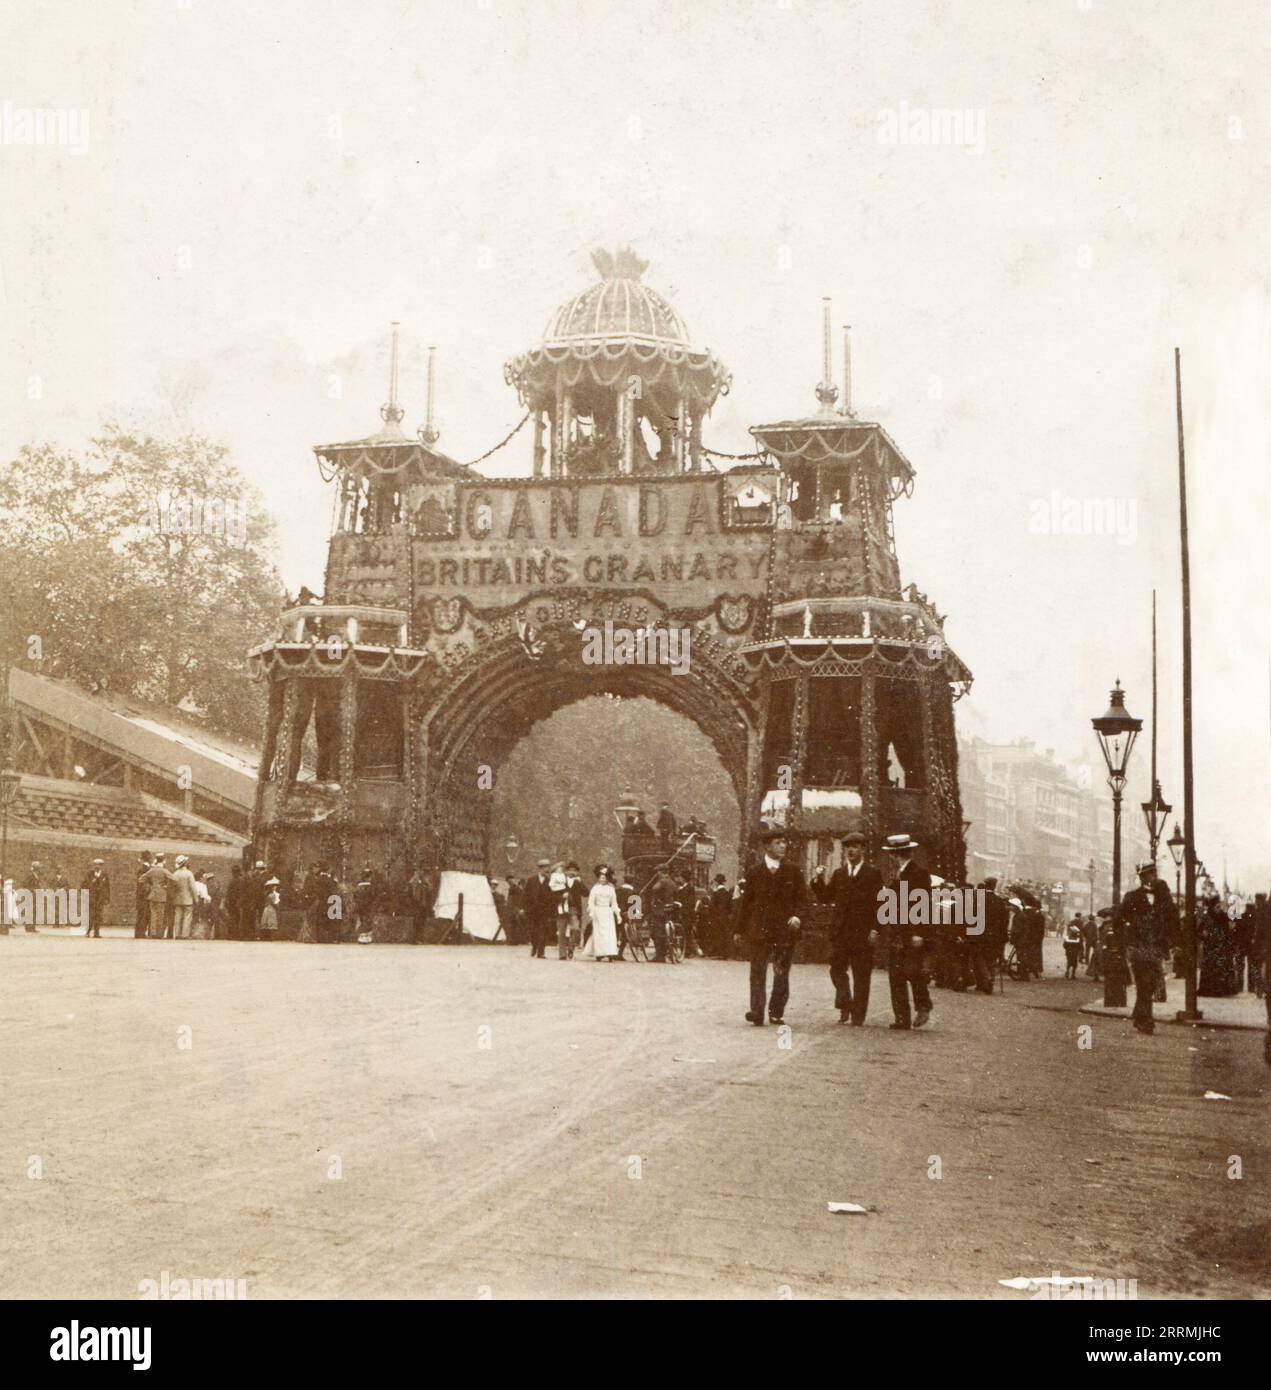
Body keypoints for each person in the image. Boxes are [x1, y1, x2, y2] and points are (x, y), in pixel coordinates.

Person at [736, 827, 808, 1026]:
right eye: (778, 842)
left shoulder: (793, 871)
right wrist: (739, 929)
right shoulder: (754, 872)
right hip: (759, 931)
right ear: (766, 846)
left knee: (781, 973)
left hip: (784, 932)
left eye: (784, 842)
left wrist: (797, 917)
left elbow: (803, 900)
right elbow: (746, 904)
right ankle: (757, 1011)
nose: (783, 846)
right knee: (757, 972)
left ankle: (776, 1011)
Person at [827, 831, 883, 1025]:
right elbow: (827, 897)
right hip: (841, 932)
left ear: (863, 850)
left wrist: (876, 929)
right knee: (836, 969)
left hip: (863, 933)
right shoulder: (839, 873)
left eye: (856, 847)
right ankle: (845, 1002)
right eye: (848, 847)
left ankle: (858, 1015)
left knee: (861, 974)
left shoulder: (873, 874)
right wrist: (817, 881)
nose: (851, 850)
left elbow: (880, 904)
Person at [881, 832, 934, 1030]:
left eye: (893, 854)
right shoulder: (900, 874)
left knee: (912, 972)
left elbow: (923, 904)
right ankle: (902, 1017)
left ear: (895, 855)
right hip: (898, 932)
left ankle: (922, 1006)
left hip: (910, 932)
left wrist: (919, 932)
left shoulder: (918, 874)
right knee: (896, 974)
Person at [1116, 861, 1173, 1033]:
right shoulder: (1131, 897)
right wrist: (1126, 939)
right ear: (1142, 878)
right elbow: (1119, 919)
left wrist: (1170, 943)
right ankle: (1145, 1021)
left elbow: (1171, 921)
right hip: (1138, 947)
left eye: (1154, 874)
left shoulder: (1163, 897)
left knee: (1151, 984)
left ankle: (1139, 1014)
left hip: (1155, 948)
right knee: (1145, 983)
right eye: (1148, 874)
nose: (1152, 877)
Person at [587, 865, 621, 961]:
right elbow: (591, 902)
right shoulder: (595, 889)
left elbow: (614, 903)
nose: (602, 879)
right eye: (600, 877)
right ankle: (600, 953)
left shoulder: (611, 889)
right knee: (599, 933)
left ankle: (610, 952)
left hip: (608, 912)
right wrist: (592, 912)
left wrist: (618, 915)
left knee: (609, 933)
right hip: (598, 912)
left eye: (604, 877)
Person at [522, 858, 554, 959]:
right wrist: (523, 907)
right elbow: (525, 895)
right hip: (532, 910)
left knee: (543, 931)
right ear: (540, 869)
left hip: (544, 910)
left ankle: (541, 951)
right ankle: (534, 946)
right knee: (533, 930)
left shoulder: (550, 881)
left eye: (548, 867)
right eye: (545, 868)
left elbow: (552, 897)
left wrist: (551, 910)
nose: (547, 870)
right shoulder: (531, 880)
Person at [140, 854, 172, 938]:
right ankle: (158, 933)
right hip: (161, 895)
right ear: (163, 860)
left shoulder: (152, 870)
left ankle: (152, 933)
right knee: (160, 915)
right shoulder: (165, 871)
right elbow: (174, 879)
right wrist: (166, 886)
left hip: (152, 894)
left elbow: (141, 879)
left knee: (153, 914)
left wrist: (150, 886)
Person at [169, 855, 198, 939]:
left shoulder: (175, 874)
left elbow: (172, 887)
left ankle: (177, 934)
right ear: (185, 863)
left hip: (177, 898)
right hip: (188, 899)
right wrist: (196, 899)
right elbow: (193, 888)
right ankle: (185, 935)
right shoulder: (189, 873)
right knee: (187, 916)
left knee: (178, 916)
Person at [81, 859, 110, 937]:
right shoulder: (89, 874)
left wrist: (107, 898)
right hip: (92, 898)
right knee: (91, 915)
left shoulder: (104, 875)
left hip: (100, 898)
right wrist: (91, 883)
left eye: (99, 865)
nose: (97, 866)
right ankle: (88, 931)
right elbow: (83, 885)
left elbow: (107, 887)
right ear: (94, 866)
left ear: (101, 866)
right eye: (96, 865)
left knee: (98, 915)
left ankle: (96, 933)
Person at [135, 852, 152, 938]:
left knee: (141, 914)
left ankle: (139, 932)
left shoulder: (141, 869)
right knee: (144, 914)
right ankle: (141, 932)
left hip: (141, 895)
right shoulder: (148, 869)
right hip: (145, 895)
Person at [1062, 915, 1084, 979]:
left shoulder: (1067, 937)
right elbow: (1080, 946)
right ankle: (1073, 974)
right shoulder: (1077, 938)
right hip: (1075, 952)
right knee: (1074, 963)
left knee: (1069, 961)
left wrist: (1067, 949)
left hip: (1068, 951)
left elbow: (1064, 945)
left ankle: (1067, 971)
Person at [22, 861, 41, 933]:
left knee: (33, 912)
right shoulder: (30, 875)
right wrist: (32, 889)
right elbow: (25, 884)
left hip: (34, 896)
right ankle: (28, 927)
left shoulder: (36, 875)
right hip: (29, 895)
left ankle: (32, 927)